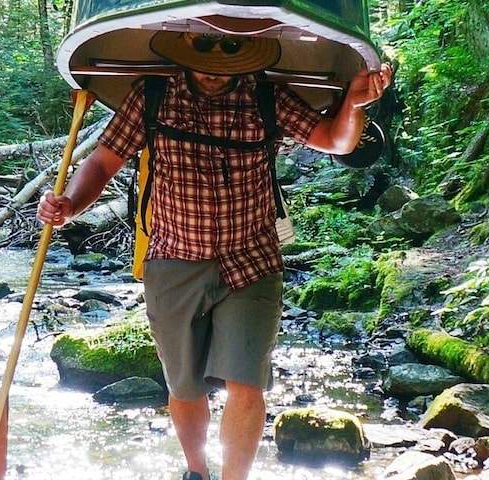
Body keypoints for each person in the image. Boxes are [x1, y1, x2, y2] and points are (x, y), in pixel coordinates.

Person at [37, 30, 391, 480]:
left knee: (247, 383)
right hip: (173, 259)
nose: (215, 63)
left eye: (230, 48)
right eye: (204, 47)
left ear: (247, 50)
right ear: (185, 44)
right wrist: (69, 204)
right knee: (184, 386)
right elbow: (104, 162)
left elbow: (335, 141)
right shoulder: (152, 96)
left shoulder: (267, 97)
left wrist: (354, 105)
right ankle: (197, 472)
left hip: (253, 261)